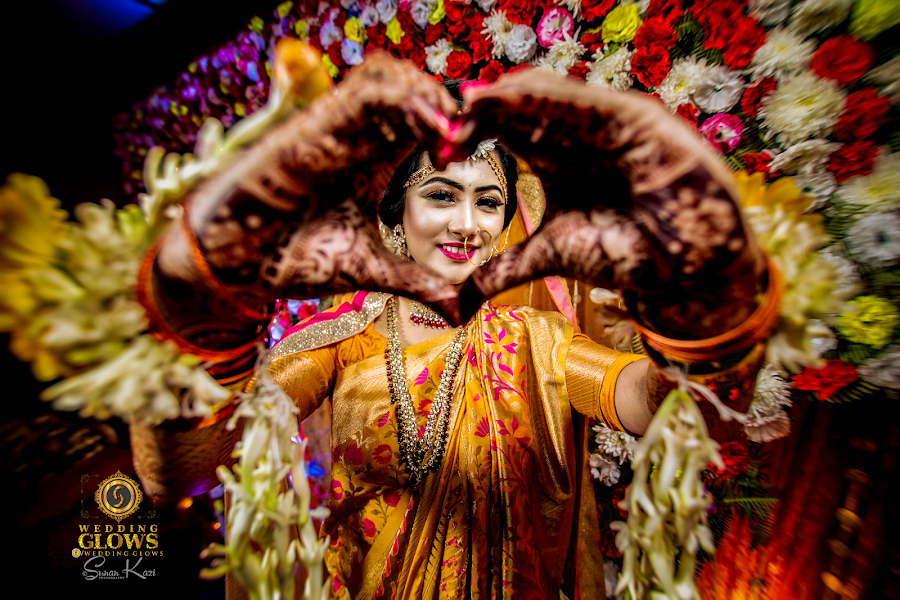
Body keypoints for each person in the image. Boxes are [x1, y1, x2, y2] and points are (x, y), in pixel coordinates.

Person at [131, 53, 774, 599]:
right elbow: (182, 476)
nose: (468, 222)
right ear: (391, 224)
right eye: (441, 194)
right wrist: (197, 313)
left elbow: (659, 407)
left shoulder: (533, 343)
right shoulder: (338, 347)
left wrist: (700, 316)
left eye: (487, 201)